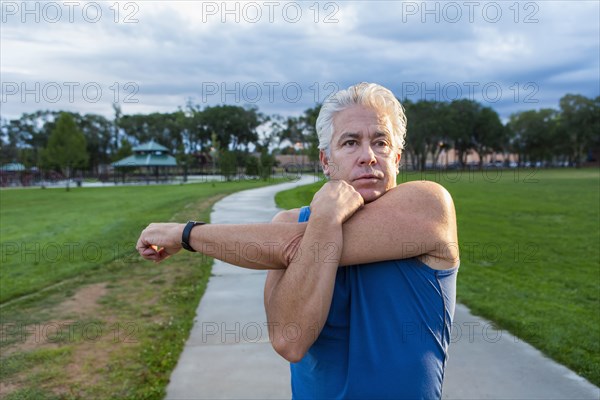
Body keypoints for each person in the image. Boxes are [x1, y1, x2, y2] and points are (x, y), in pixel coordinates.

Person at [137, 82, 459, 399]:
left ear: (398, 158)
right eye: (350, 143)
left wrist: (185, 234)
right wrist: (325, 218)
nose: (368, 156)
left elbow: (285, 244)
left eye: (380, 142)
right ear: (325, 161)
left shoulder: (429, 206)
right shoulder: (289, 222)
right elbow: (289, 340)